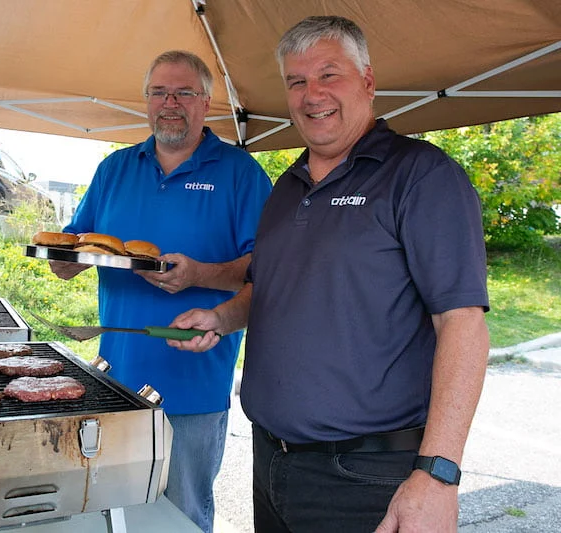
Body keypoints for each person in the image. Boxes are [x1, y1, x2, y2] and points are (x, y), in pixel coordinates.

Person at [168, 16, 490, 533]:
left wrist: (437, 475)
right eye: (296, 81)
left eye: (328, 75)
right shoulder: (286, 187)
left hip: (366, 476)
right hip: (272, 460)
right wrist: (221, 317)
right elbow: (269, 285)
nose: (311, 94)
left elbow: (463, 326)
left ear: (367, 80)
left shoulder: (421, 176)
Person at [49, 50, 272, 532]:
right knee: (113, 513)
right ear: (146, 101)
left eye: (184, 92)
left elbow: (271, 271)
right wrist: (62, 262)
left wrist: (200, 275)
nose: (170, 103)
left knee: (181, 518)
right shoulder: (115, 169)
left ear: (206, 102)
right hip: (114, 381)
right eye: (159, 92)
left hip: (193, 387)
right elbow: (76, 246)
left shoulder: (240, 173)